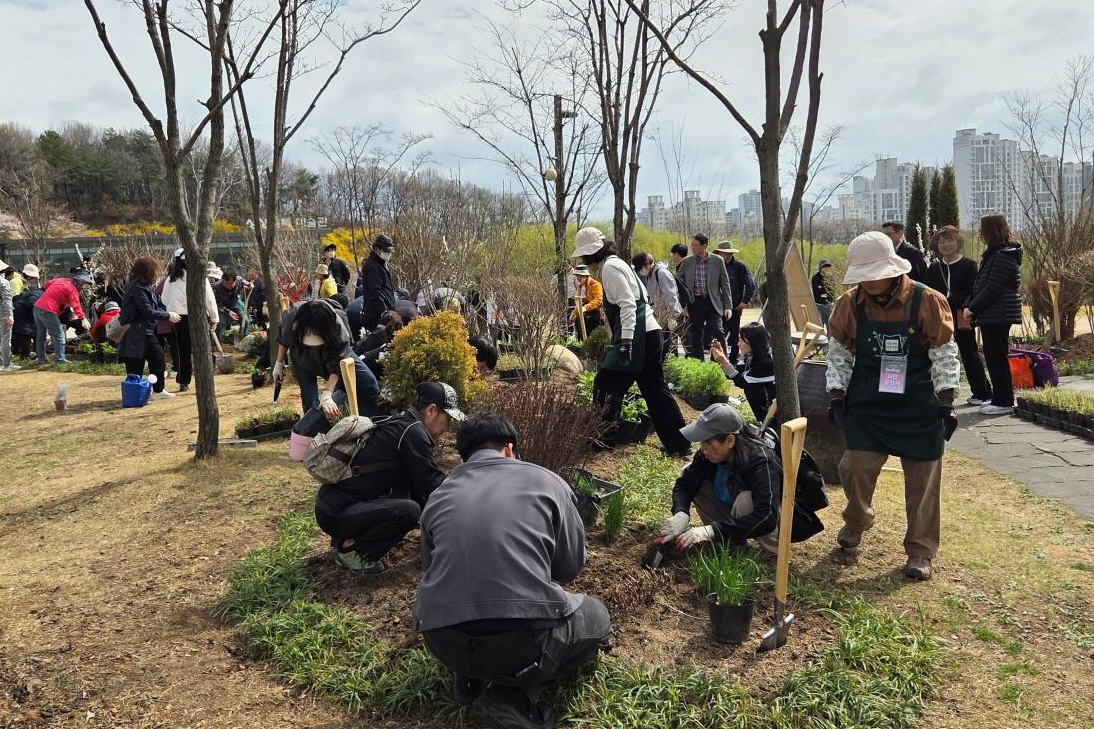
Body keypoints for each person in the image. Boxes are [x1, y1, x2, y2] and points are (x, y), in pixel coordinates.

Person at [414, 413, 611, 729]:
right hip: (521, 644)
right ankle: (510, 697)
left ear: (465, 456)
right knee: (597, 617)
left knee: (476, 618)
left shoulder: (438, 497)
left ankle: (468, 677)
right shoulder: (547, 481)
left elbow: (431, 571)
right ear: (509, 448)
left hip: (442, 641)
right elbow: (570, 568)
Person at [826, 231, 960, 581]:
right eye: (862, 276)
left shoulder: (928, 300)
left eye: (874, 274)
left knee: (923, 483)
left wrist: (946, 401)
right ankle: (857, 520)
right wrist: (836, 394)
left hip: (918, 401)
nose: (868, 283)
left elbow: (945, 352)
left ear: (891, 269)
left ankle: (920, 550)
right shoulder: (849, 304)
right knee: (854, 466)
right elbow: (839, 352)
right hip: (869, 401)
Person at [316, 381, 461, 575]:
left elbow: (418, 486)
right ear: (432, 410)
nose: (449, 425)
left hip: (333, 506)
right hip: (337, 513)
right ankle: (354, 552)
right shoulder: (413, 433)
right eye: (448, 417)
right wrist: (464, 501)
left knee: (408, 502)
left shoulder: (401, 423)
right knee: (409, 511)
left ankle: (347, 537)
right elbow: (432, 485)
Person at [572, 227, 691, 456]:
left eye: (583, 257)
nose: (583, 262)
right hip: (650, 332)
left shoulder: (610, 268)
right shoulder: (619, 263)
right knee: (654, 389)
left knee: (605, 386)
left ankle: (601, 442)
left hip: (637, 335)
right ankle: (680, 443)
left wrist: (625, 343)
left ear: (590, 254)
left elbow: (628, 304)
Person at [656, 404, 781, 555]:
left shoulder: (760, 460)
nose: (703, 449)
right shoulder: (707, 455)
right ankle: (729, 542)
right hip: (732, 511)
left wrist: (712, 530)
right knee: (688, 473)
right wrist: (681, 512)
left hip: (768, 517)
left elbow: (767, 516)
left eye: (707, 443)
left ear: (729, 441)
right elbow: (685, 485)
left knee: (746, 501)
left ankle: (772, 554)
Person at [272, 299, 381, 416]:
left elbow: (339, 361)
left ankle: (374, 419)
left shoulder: (338, 327)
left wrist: (327, 394)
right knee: (309, 398)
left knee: (368, 383)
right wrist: (278, 364)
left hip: (333, 353)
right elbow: (284, 339)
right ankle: (312, 428)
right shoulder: (292, 316)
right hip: (301, 354)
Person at [964, 214, 1023, 415]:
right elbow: (980, 285)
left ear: (991, 232)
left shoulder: (1004, 257)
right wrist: (970, 304)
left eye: (983, 231)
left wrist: (973, 308)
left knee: (997, 358)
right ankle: (1000, 398)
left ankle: (1004, 401)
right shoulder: (996, 255)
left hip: (999, 314)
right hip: (993, 314)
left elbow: (992, 288)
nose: (981, 235)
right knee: (994, 357)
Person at [926, 227, 992, 407]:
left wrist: (950, 301)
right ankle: (938, 392)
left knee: (969, 353)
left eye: (949, 240)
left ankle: (982, 392)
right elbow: (928, 290)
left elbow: (972, 289)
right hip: (939, 316)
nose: (945, 245)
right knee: (936, 354)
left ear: (958, 242)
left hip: (960, 314)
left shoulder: (969, 265)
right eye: (941, 242)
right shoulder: (933, 267)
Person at [118, 256, 182, 400]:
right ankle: (134, 394)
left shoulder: (145, 287)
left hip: (146, 331)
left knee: (158, 358)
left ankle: (158, 391)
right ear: (148, 271)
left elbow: (154, 306)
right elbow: (147, 310)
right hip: (134, 332)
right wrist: (167, 315)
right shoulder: (136, 288)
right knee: (135, 365)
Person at [160, 248, 218, 393]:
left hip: (178, 317)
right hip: (198, 315)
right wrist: (214, 317)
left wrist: (173, 309)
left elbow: (164, 299)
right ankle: (206, 377)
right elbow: (209, 299)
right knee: (202, 348)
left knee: (183, 350)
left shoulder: (170, 279)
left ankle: (183, 381)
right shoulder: (198, 276)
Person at [677, 233, 733, 360]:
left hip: (713, 302)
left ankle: (724, 363)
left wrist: (728, 306)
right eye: (691, 245)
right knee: (696, 333)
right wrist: (682, 303)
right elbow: (677, 280)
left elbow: (725, 284)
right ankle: (698, 362)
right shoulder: (687, 262)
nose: (692, 248)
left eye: (695, 245)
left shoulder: (717, 260)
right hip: (695, 302)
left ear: (704, 246)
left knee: (718, 330)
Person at [711, 323, 775, 422]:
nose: (738, 344)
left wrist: (724, 362)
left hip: (773, 407)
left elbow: (741, 381)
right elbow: (737, 371)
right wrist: (722, 358)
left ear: (753, 342)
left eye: (741, 340)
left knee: (752, 389)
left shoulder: (766, 361)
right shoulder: (754, 355)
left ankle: (766, 422)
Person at [34, 270, 93, 364]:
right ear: (77, 281)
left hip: (37, 307)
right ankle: (60, 359)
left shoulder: (62, 280)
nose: (83, 285)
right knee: (59, 335)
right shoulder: (72, 289)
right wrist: (83, 319)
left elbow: (47, 285)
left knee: (41, 335)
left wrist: (56, 297)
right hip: (48, 310)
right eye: (82, 282)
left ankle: (41, 359)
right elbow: (76, 305)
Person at [632, 252, 683, 359]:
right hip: (660, 317)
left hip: (671, 317)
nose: (641, 272)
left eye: (641, 268)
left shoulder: (661, 273)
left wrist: (673, 317)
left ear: (647, 264)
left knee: (671, 348)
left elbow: (671, 297)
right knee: (664, 348)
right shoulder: (649, 276)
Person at [712, 241, 756, 363]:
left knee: (733, 336)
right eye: (719, 253)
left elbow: (751, 286)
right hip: (717, 308)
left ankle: (733, 361)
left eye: (723, 253)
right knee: (716, 336)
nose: (720, 256)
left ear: (729, 254)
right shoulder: (715, 266)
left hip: (734, 308)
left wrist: (744, 301)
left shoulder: (739, 267)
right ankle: (716, 360)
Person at [360, 234, 397, 331]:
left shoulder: (380, 264)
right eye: (386, 251)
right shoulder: (373, 266)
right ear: (377, 250)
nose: (389, 254)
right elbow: (375, 292)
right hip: (377, 316)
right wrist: (384, 312)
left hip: (383, 312)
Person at [11, 269, 42, 361]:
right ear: (28, 274)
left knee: (27, 332)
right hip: (19, 310)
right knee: (23, 333)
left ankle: (23, 353)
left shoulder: (24, 282)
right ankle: (19, 353)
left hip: (24, 310)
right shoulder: (17, 281)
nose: (32, 278)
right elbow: (15, 297)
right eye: (32, 276)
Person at [569, 265, 603, 340]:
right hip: (583, 313)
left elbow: (598, 301)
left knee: (591, 335)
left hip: (594, 314)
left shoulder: (595, 285)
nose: (578, 278)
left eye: (580, 276)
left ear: (585, 275)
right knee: (579, 329)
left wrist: (585, 308)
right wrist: (575, 312)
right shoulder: (580, 286)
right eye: (577, 276)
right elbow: (579, 302)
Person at [213, 269, 244, 339]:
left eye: (231, 284)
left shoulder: (239, 280)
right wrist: (229, 312)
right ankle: (219, 342)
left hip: (234, 304)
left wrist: (249, 285)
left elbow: (244, 282)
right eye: (226, 283)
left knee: (244, 320)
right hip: (222, 307)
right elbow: (218, 304)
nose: (228, 286)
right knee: (219, 324)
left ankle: (241, 337)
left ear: (235, 281)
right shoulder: (216, 286)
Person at [811, 259, 834, 326]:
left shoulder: (830, 278)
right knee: (820, 325)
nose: (826, 268)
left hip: (829, 304)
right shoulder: (815, 278)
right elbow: (817, 291)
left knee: (830, 325)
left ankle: (829, 336)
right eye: (824, 267)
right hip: (819, 304)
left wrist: (823, 290)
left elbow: (832, 291)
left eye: (828, 267)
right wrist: (826, 291)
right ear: (820, 268)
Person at [0, 264, 12, 371]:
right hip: (3, 312)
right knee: (5, 338)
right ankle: (6, 364)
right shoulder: (4, 282)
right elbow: (7, 300)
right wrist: (10, 315)